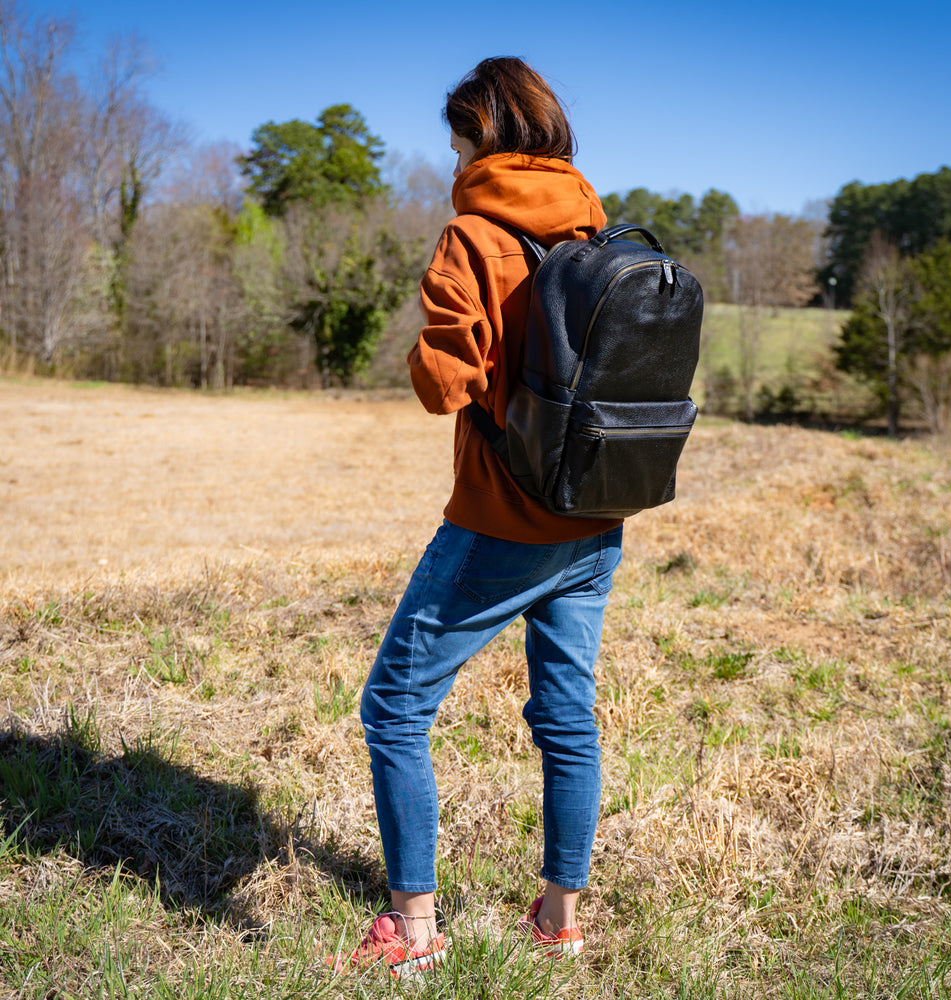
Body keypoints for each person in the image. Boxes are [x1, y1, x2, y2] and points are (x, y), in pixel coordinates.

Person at [332, 56, 624, 978]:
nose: (453, 152)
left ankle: (413, 934)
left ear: (480, 135)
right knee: (568, 716)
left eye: (458, 137)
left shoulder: (473, 235)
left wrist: (432, 343)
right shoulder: (598, 226)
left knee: (393, 708)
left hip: (503, 517)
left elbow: (443, 383)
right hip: (597, 515)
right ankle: (558, 921)